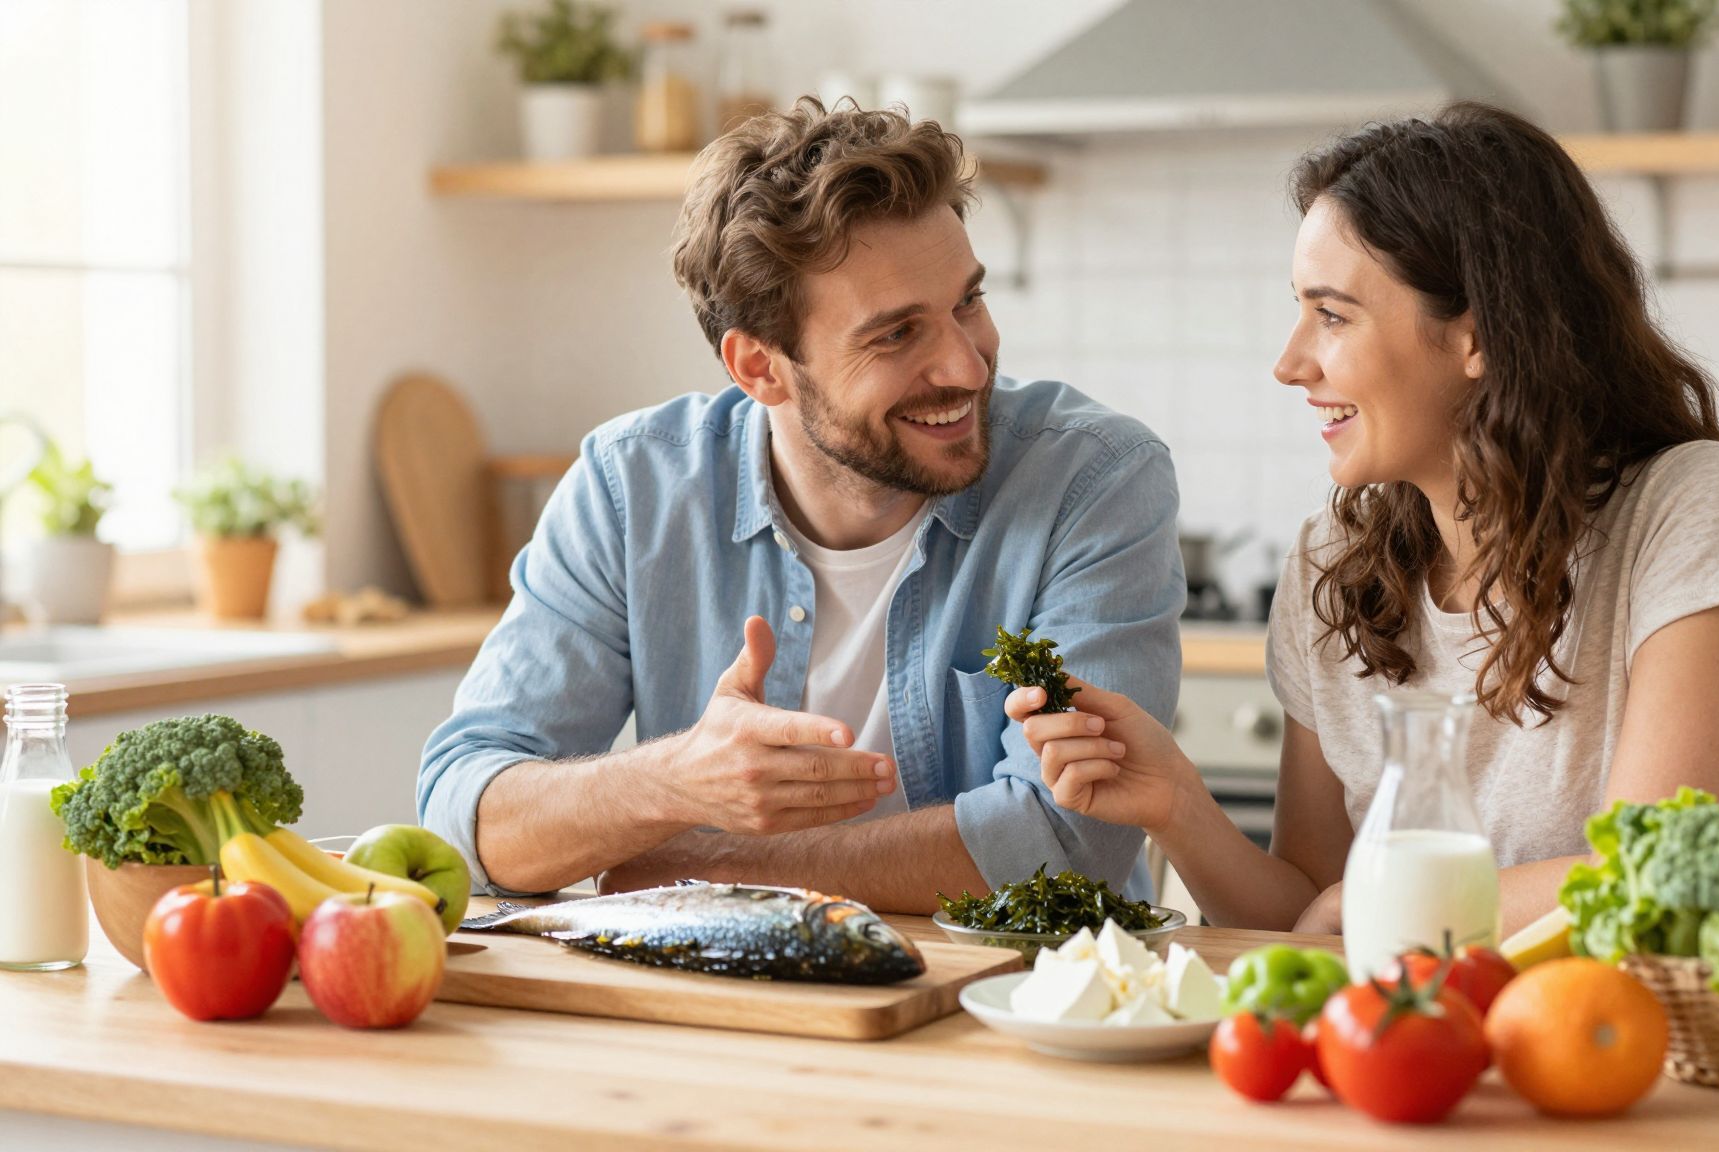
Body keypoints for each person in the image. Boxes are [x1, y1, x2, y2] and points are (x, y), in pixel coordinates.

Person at [1005, 102, 1719, 937]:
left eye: (1333, 315)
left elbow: (1669, 866)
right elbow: (1309, 917)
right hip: (1415, 1053)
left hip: (1636, 1052)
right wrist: (1175, 802)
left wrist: (1385, 903)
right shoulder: (1335, 560)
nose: (1290, 364)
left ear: (1478, 336)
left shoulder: (1693, 508)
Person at [419, 99, 1183, 909]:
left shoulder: (1092, 479)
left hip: (1013, 1010)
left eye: (968, 302)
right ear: (759, 368)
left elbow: (1069, 843)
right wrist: (673, 782)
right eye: (896, 335)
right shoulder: (631, 491)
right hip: (729, 1021)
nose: (966, 365)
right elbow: (466, 820)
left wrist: (703, 869)